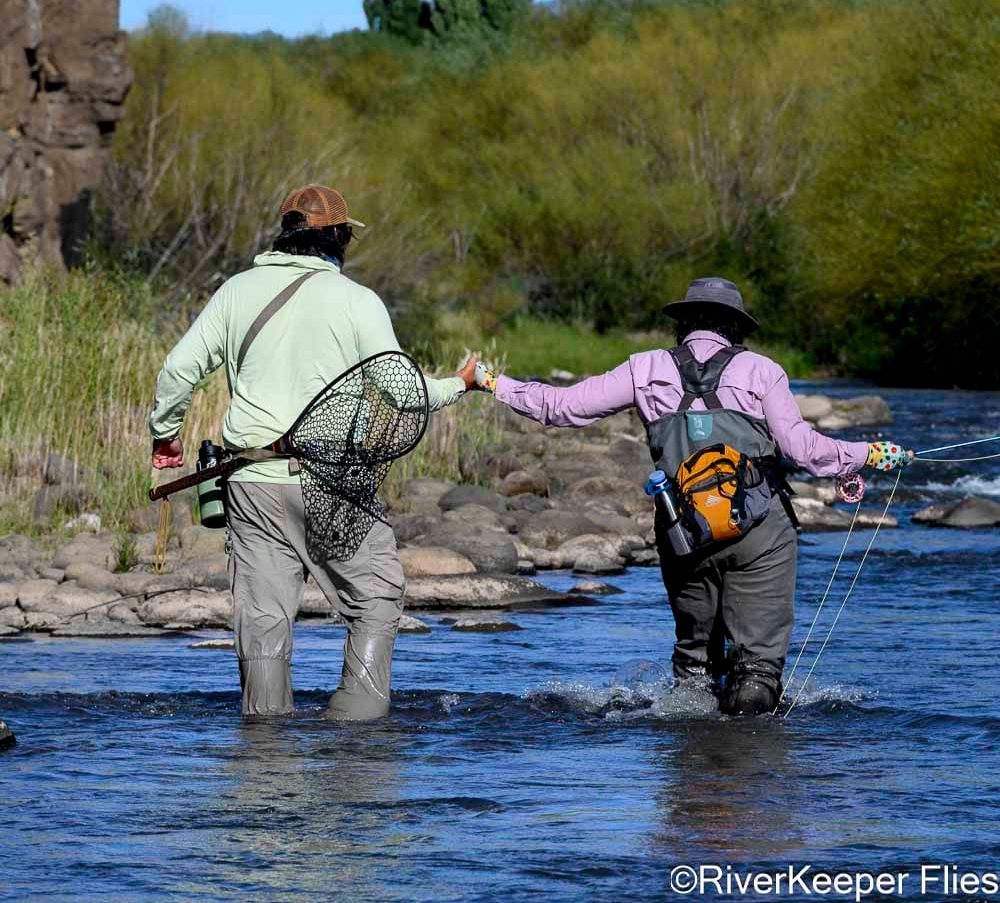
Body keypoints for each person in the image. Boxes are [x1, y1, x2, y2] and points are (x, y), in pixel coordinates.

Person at [473, 277, 912, 715]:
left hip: (682, 530)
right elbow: (805, 451)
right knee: (756, 674)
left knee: (695, 673)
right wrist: (869, 453)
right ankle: (752, 765)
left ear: (681, 324)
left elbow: (560, 407)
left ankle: (691, 776)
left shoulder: (643, 368)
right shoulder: (763, 371)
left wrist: (489, 380)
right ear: (735, 327)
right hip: (759, 534)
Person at [149, 184, 476, 720]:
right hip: (335, 483)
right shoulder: (357, 301)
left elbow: (177, 372)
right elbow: (403, 393)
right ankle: (357, 726)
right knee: (375, 597)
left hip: (250, 480)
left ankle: (265, 745)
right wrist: (461, 383)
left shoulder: (235, 291)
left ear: (286, 235)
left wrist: (166, 436)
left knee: (262, 618)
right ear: (340, 239)